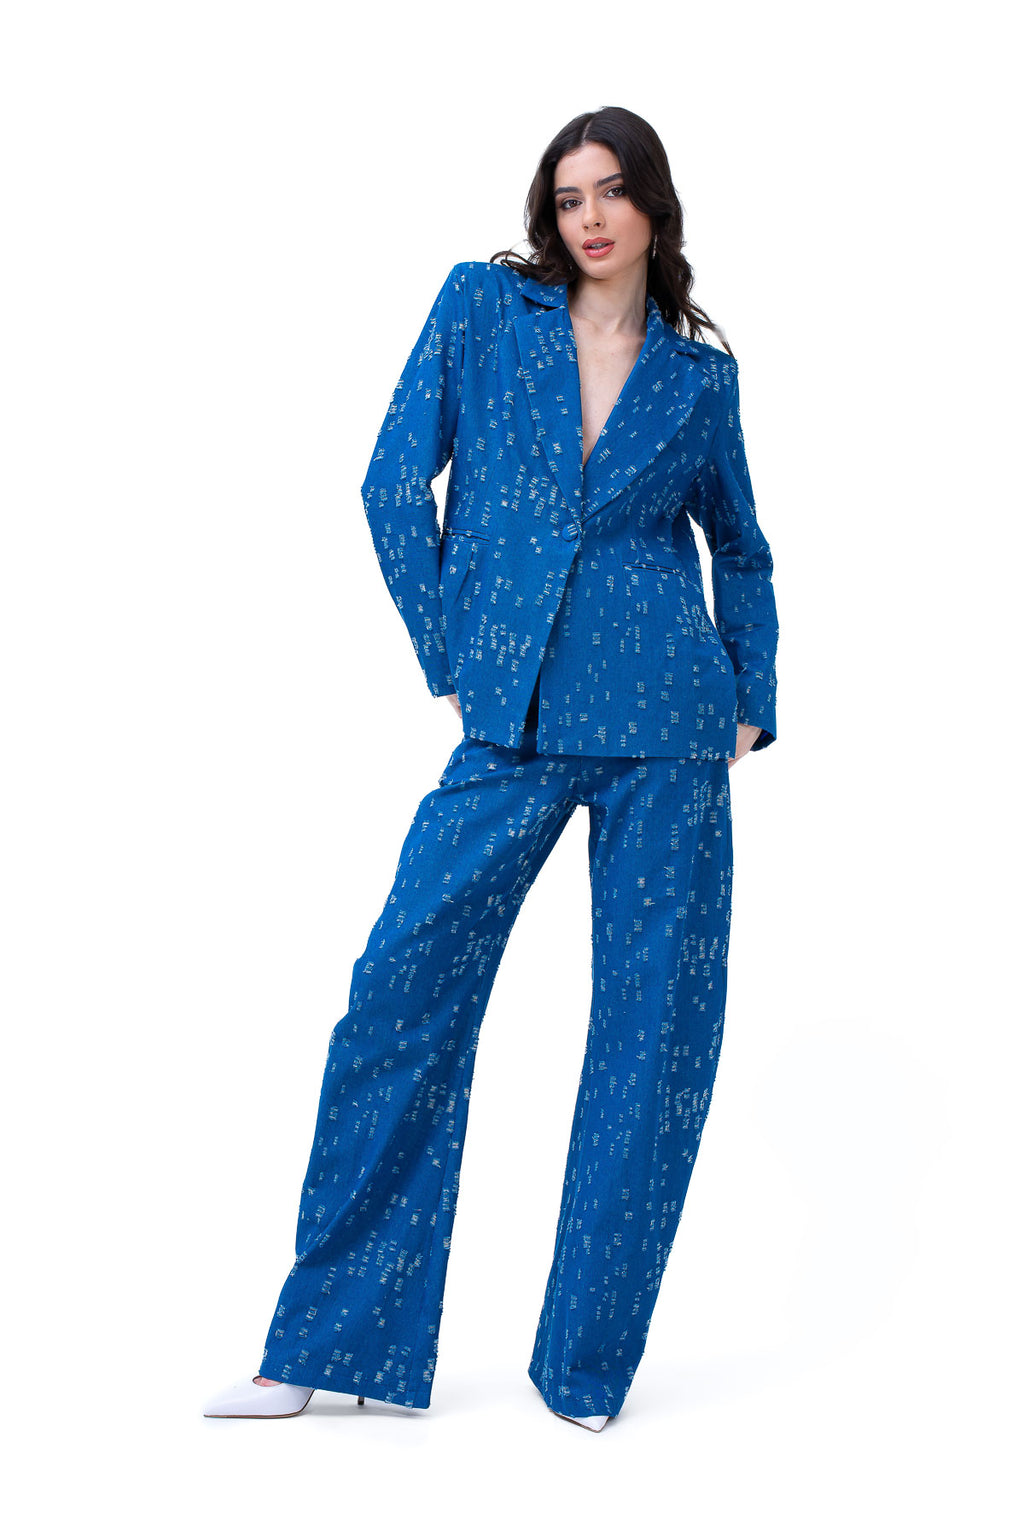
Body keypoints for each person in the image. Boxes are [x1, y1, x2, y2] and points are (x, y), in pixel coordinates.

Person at [203, 104, 779, 1433]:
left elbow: (741, 545)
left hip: (669, 725)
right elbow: (390, 484)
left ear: (652, 206)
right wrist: (454, 649)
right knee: (398, 997)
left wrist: (751, 698)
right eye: (569, 196)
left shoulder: (700, 379)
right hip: (511, 719)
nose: (590, 217)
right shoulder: (482, 309)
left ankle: (585, 1363)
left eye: (612, 191)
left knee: (653, 1043)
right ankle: (334, 1345)